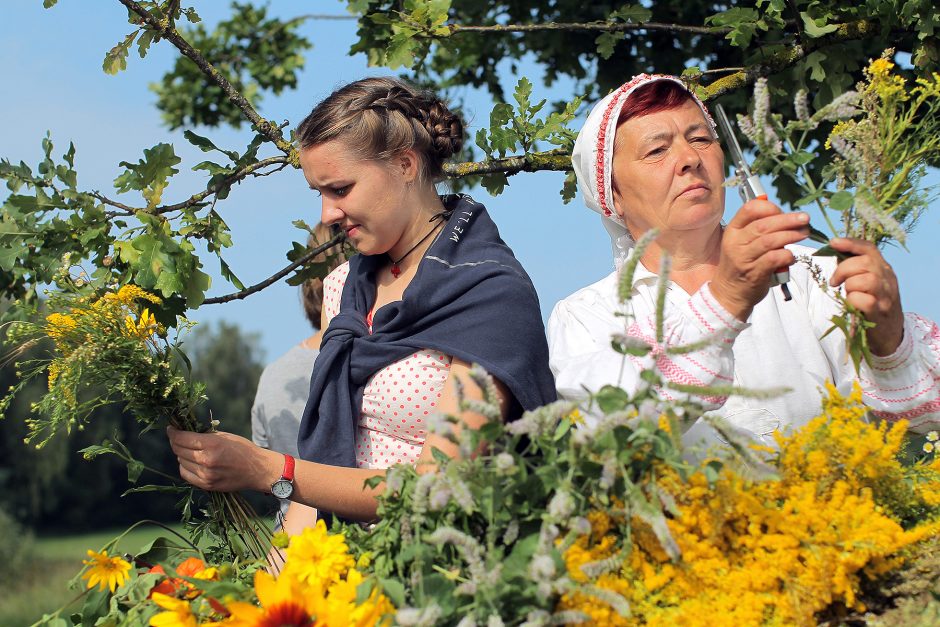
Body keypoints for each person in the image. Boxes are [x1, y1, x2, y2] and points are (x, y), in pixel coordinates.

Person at [168, 77, 557, 534]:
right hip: (346, 567)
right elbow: (327, 461)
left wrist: (266, 468)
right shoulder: (343, 287)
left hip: (445, 574)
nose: (327, 215)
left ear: (406, 164)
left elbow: (440, 486)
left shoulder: (489, 294)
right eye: (319, 192)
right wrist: (273, 581)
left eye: (340, 188)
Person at [548, 73, 940, 448]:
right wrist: (725, 300)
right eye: (656, 150)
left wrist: (890, 342)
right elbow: (615, 433)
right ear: (610, 194)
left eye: (700, 138)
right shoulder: (588, 315)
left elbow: (926, 420)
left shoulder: (814, 273)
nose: (689, 158)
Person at [250, 222, 343, 525]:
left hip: (289, 554)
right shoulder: (382, 364)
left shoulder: (274, 375)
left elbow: (265, 478)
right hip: (356, 542)